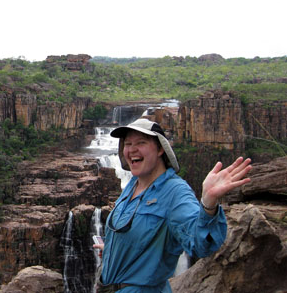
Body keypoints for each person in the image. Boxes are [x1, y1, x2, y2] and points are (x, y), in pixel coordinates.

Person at [93, 117, 252, 293]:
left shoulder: (175, 192)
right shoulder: (132, 184)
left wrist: (208, 203)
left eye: (141, 142)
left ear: (161, 148)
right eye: (128, 143)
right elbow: (135, 233)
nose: (131, 149)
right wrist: (113, 249)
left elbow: (201, 244)